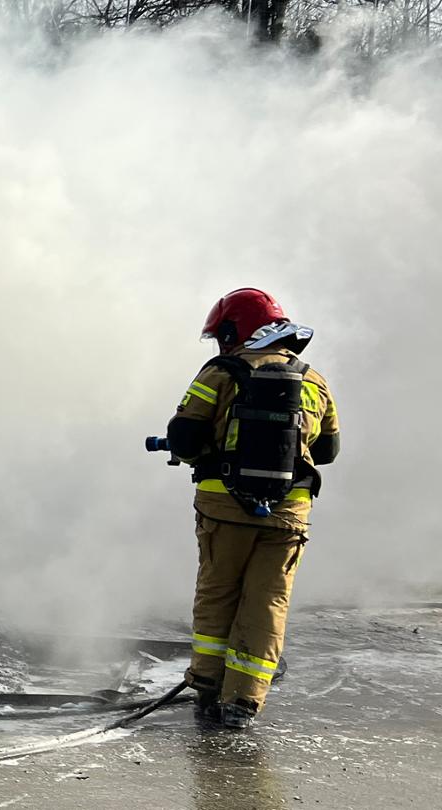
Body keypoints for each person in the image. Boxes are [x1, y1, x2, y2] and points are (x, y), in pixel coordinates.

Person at [165, 288, 338, 730]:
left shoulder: (220, 373)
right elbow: (329, 450)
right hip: (288, 515)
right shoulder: (313, 379)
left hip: (223, 506)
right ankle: (242, 702)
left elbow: (184, 439)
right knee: (267, 602)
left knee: (218, 592)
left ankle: (207, 686)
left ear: (232, 330)